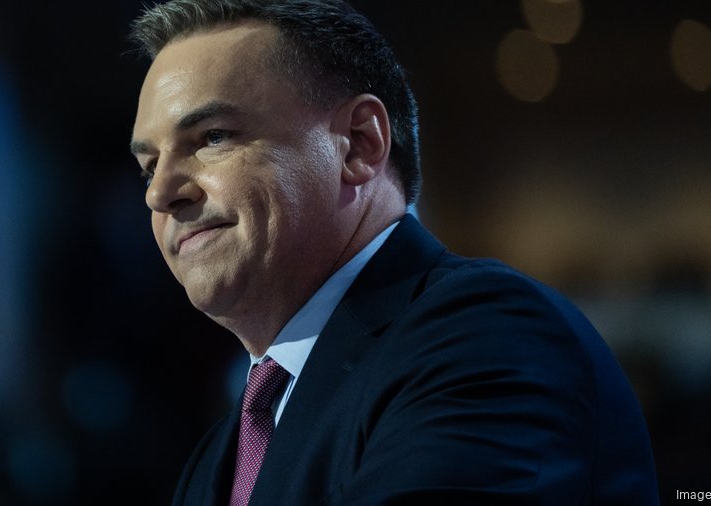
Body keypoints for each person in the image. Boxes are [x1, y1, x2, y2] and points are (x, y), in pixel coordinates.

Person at [128, 0, 659, 504]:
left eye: (213, 137)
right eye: (149, 167)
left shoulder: (486, 339)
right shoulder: (218, 456)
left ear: (359, 144)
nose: (160, 194)